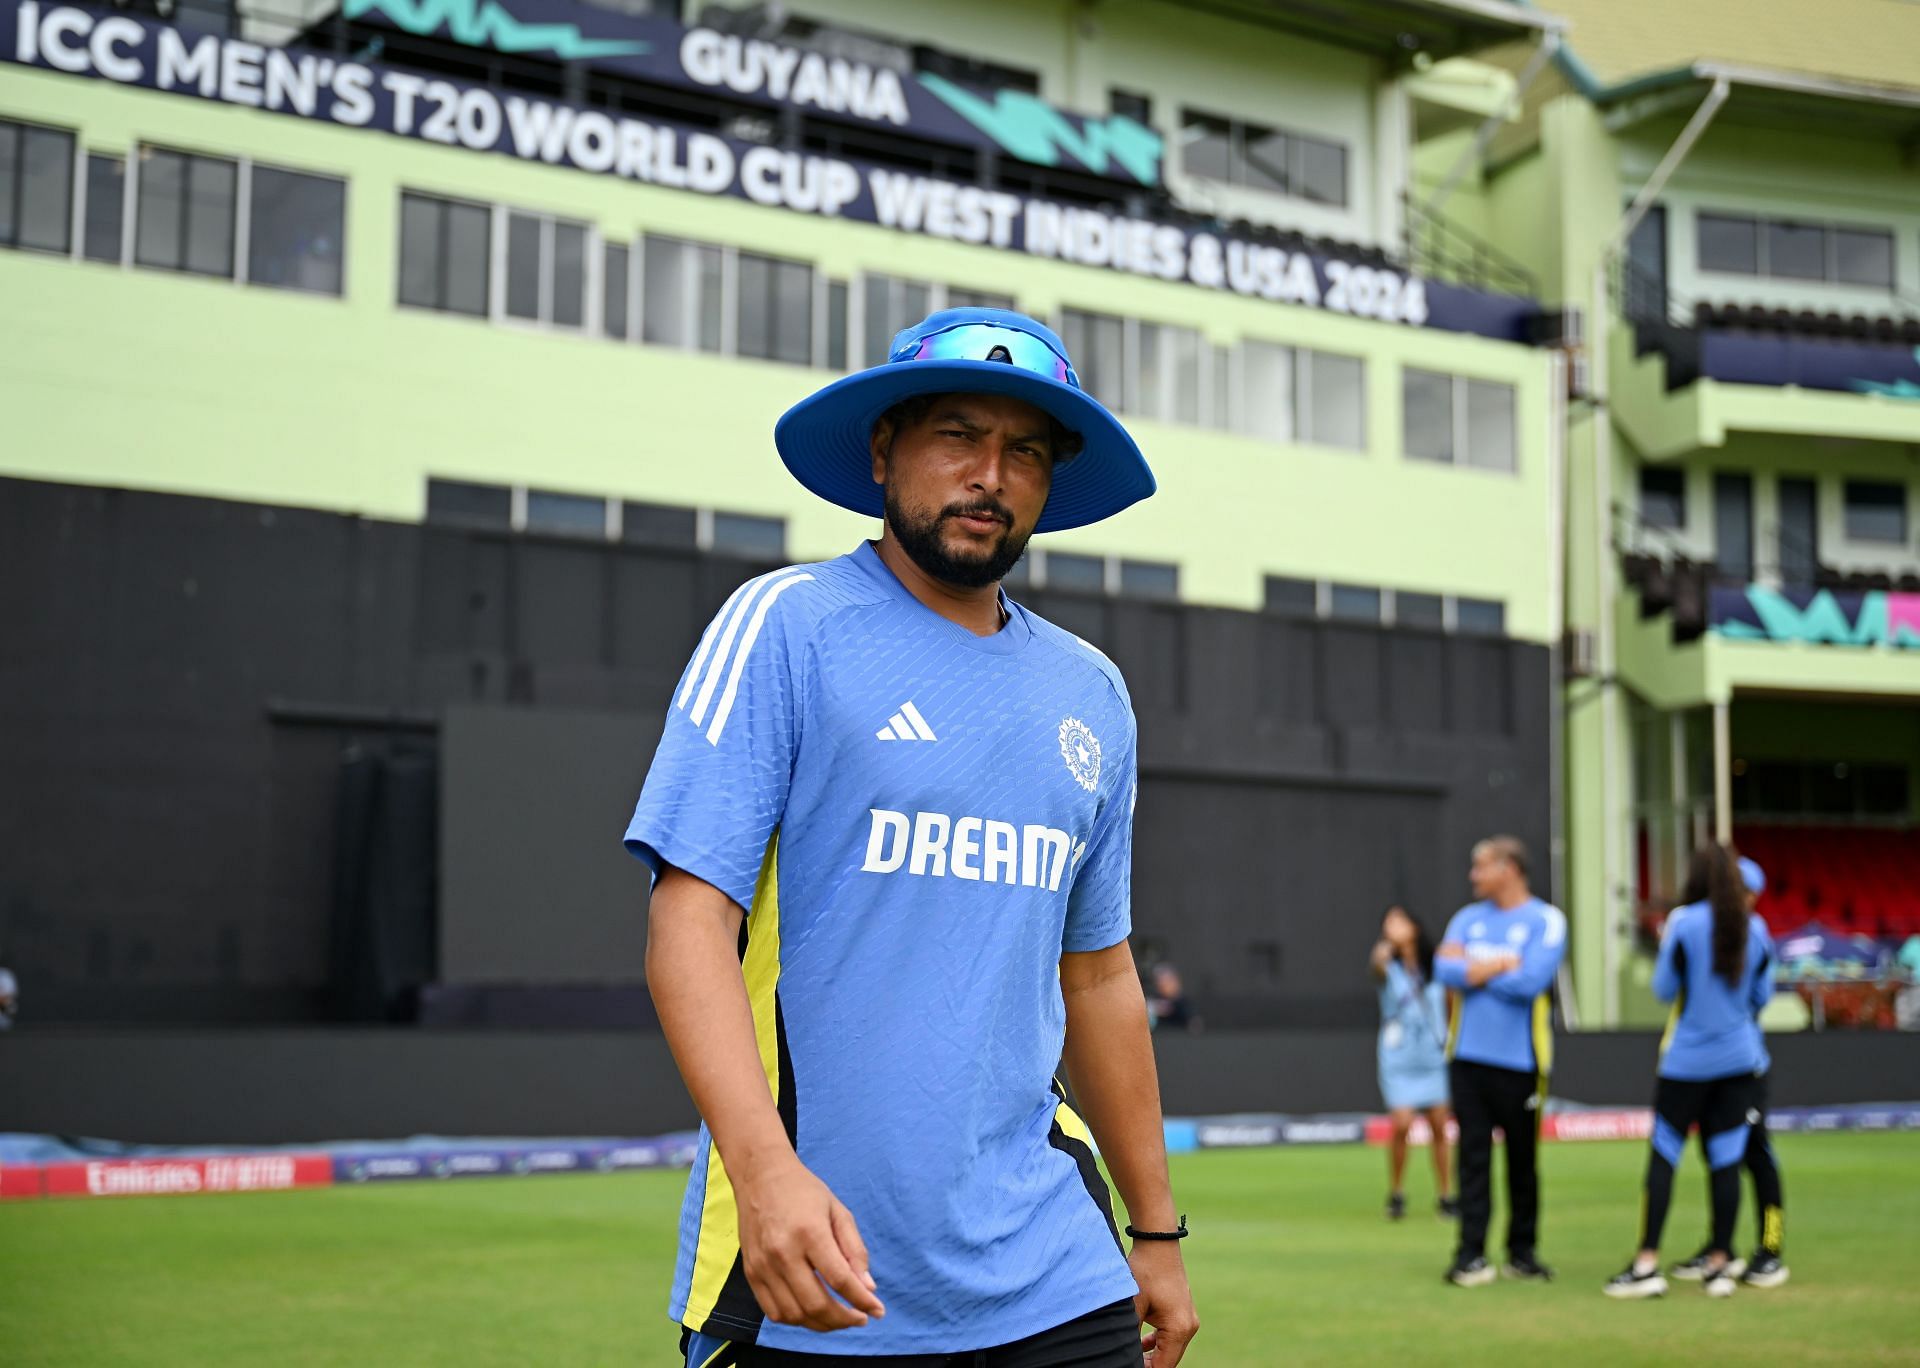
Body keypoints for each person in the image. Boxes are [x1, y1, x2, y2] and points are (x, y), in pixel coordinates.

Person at [627, 308, 1196, 1367]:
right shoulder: (785, 626)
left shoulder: (1092, 694)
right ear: (884, 451)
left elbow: (1101, 978)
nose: (991, 473)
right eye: (956, 435)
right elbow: (688, 923)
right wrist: (766, 1176)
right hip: (814, 1273)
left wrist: (1154, 1234)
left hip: (1059, 1277)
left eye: (1025, 449)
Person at [1604, 842, 1775, 1301]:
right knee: (1726, 1161)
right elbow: (1762, 996)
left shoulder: (1683, 923)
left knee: (1665, 1155)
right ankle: (1720, 1265)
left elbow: (1663, 989)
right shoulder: (1756, 927)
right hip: (1740, 1061)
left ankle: (1646, 1264)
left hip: (1687, 1062)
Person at [1434, 836, 1566, 1286]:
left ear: (1508, 868)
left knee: (1522, 1162)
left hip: (1522, 1062)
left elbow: (1532, 981)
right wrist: (1496, 965)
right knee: (1472, 1160)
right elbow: (1444, 971)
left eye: (1481, 866)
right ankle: (1469, 1255)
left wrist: (1473, 970)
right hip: (1467, 1058)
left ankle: (1522, 1253)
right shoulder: (1467, 918)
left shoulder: (1545, 919)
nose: (1473, 876)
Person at [1667, 856, 1788, 1289]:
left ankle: (1771, 1248)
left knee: (1757, 1156)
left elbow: (1760, 999)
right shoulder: (1712, 932)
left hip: (1747, 1068)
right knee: (1717, 1157)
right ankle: (1721, 1246)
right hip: (1725, 1065)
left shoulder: (1755, 936)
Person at [1369, 907, 1454, 1221]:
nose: (1391, 927)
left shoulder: (1437, 967)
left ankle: (1446, 1194)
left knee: (1439, 1126)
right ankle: (1397, 1191)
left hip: (1431, 1054)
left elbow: (1449, 1003)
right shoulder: (1387, 967)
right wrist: (1384, 953)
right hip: (1399, 1056)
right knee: (1401, 1124)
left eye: (1398, 921)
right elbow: (1376, 967)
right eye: (1387, 922)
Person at [1146, 962, 1198, 1032]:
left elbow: (1194, 1024)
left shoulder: (1184, 1003)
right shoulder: (1153, 1000)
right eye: (1159, 981)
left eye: (1166, 981)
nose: (1162, 984)